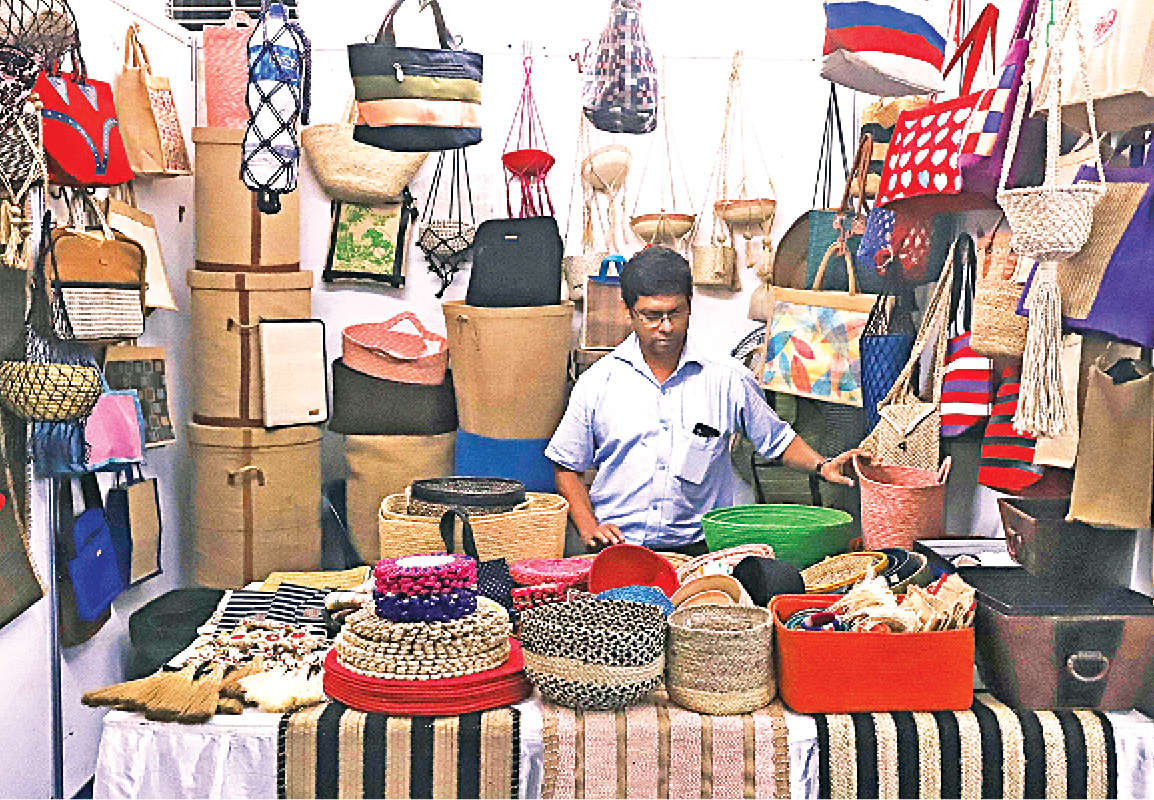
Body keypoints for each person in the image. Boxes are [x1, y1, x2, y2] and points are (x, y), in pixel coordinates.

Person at [545, 246, 862, 555]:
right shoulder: (597, 383)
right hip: (619, 550)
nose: (666, 327)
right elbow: (566, 467)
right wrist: (588, 527)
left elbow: (777, 439)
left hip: (702, 550)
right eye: (652, 316)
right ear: (628, 311)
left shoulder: (727, 377)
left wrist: (823, 466)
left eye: (675, 313)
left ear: (690, 306)